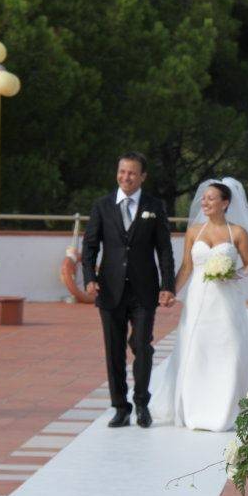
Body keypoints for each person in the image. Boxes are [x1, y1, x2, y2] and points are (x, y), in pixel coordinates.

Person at [149, 177, 248, 432]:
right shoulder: (195, 232)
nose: (204, 202)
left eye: (211, 198)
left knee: (230, 347)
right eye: (203, 198)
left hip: (225, 300)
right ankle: (195, 406)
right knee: (195, 347)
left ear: (225, 202)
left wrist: (234, 274)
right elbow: (186, 266)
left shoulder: (237, 232)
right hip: (197, 300)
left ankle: (227, 407)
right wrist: (170, 291)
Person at [81, 152, 176, 429]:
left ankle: (142, 404)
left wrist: (167, 285)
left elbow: (164, 250)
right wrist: (89, 278)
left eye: (132, 173)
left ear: (143, 176)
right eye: (122, 172)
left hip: (144, 290)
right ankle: (120, 407)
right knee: (114, 351)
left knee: (143, 346)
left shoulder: (154, 206)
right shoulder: (102, 205)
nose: (126, 177)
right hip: (109, 290)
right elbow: (90, 246)